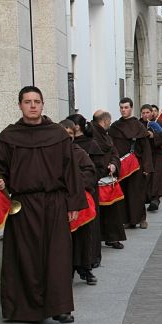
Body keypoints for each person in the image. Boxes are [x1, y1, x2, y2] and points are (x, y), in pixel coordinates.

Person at [0, 86, 86, 324]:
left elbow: (70, 170)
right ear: (19, 105)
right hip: (22, 204)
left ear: (43, 105)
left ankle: (60, 308)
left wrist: (73, 203)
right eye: (27, 101)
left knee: (58, 257)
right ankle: (24, 309)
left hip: (54, 202)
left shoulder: (58, 134)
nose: (32, 106)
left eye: (36, 101)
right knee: (26, 257)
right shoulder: (7, 137)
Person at [59, 119, 98, 285]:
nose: (68, 138)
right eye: (64, 134)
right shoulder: (52, 153)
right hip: (61, 203)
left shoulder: (79, 152)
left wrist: (74, 182)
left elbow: (90, 171)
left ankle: (85, 268)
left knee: (83, 238)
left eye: (70, 134)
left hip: (79, 201)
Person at [66, 113, 104, 272]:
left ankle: (88, 261)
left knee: (87, 230)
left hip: (88, 192)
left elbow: (97, 169)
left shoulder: (90, 146)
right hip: (68, 197)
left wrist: (80, 182)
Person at [109, 97, 153, 229]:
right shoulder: (115, 127)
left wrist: (147, 166)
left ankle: (140, 218)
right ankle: (126, 219)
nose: (123, 110)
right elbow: (110, 146)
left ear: (131, 108)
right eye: (121, 108)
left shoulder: (138, 126)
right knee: (123, 193)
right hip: (120, 165)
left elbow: (146, 148)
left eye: (126, 107)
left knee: (137, 193)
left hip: (135, 165)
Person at [90, 110, 127, 250]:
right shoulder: (92, 135)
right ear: (105, 121)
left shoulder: (105, 135)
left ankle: (112, 238)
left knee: (112, 211)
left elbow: (113, 152)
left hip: (108, 178)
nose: (110, 125)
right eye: (109, 122)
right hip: (96, 179)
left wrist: (114, 164)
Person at [140, 104, 162, 212]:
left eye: (148, 112)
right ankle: (147, 198)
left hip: (158, 154)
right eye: (143, 113)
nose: (145, 115)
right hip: (144, 155)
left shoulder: (161, 123)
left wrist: (154, 136)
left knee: (157, 176)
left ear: (152, 113)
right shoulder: (139, 124)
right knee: (146, 177)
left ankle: (155, 199)